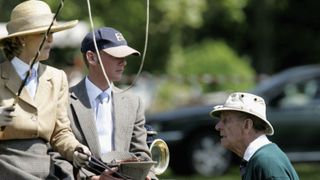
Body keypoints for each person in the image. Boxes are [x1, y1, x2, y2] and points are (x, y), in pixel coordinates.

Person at [0, 0, 91, 179]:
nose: (50, 39)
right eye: (43, 33)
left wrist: (75, 150)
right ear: (21, 38)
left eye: (52, 33)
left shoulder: (57, 78)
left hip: (45, 169)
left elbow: (60, 132)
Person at [68, 27, 157, 180]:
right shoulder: (64, 100)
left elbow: (141, 153)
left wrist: (147, 175)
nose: (124, 62)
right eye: (116, 56)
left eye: (125, 56)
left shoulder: (133, 102)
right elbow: (58, 156)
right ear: (91, 57)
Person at [210, 92, 299, 180]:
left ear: (247, 125)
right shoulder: (260, 160)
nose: (217, 127)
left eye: (226, 120)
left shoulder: (267, 163)